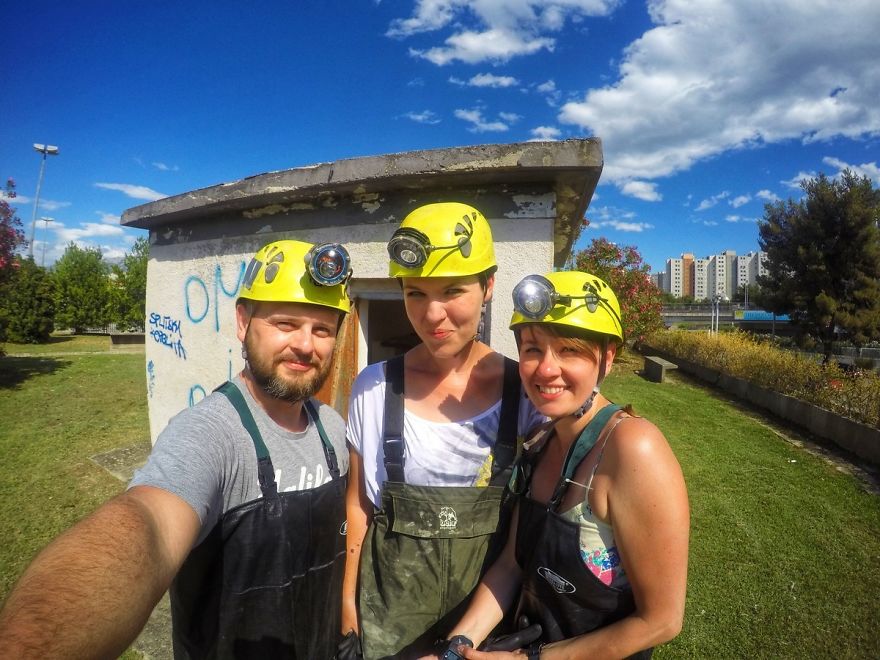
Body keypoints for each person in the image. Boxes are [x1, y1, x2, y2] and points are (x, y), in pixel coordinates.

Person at [0, 239, 354, 659]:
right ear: (243, 322)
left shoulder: (332, 428)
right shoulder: (209, 433)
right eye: (285, 323)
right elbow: (149, 521)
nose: (306, 345)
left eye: (322, 330)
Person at [435, 270, 690, 660]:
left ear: (607, 358)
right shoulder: (539, 442)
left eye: (569, 350)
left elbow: (661, 620)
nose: (545, 369)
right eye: (532, 349)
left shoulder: (632, 449)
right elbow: (511, 566)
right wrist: (457, 648)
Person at [341, 202, 545, 659]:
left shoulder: (527, 394)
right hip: (388, 629)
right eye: (415, 293)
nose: (433, 315)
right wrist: (348, 615)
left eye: (453, 290)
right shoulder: (373, 388)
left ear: (488, 286)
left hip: (485, 637)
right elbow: (358, 505)